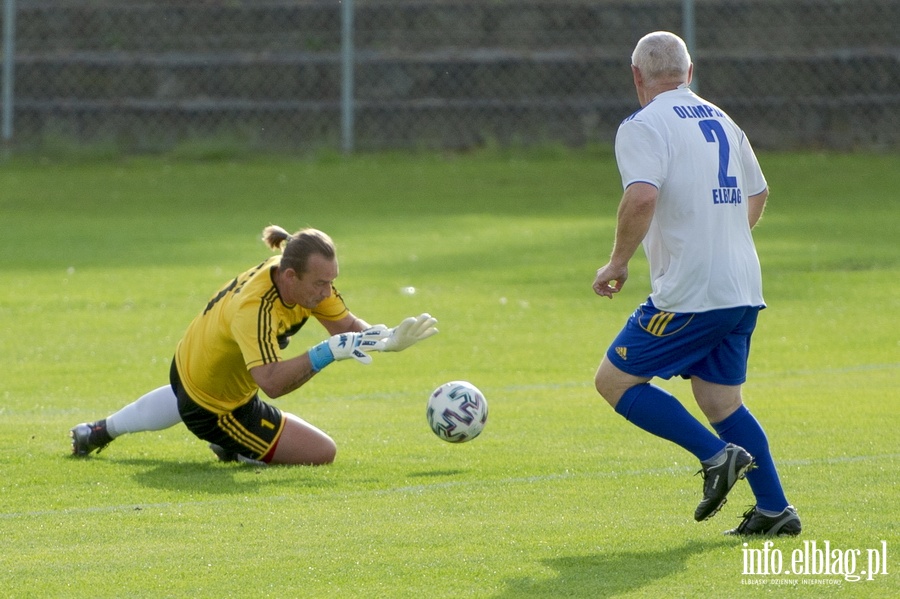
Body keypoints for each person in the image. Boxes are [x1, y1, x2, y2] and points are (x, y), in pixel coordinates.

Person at [591, 31, 800, 536]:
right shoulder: (723, 120)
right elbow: (759, 191)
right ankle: (775, 511)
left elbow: (641, 197)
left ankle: (716, 458)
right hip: (741, 286)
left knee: (614, 381)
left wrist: (617, 262)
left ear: (638, 77)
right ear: (690, 71)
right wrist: (720, 238)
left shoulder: (644, 124)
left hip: (690, 292)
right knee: (722, 403)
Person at [70, 225, 438, 466]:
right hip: (216, 408)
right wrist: (326, 354)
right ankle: (233, 444)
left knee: (190, 393)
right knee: (322, 453)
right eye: (321, 284)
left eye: (332, 282)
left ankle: (99, 430)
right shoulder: (256, 308)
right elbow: (273, 384)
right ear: (291, 276)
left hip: (187, 367)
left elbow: (347, 327)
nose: (327, 292)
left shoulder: (298, 278)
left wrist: (387, 340)